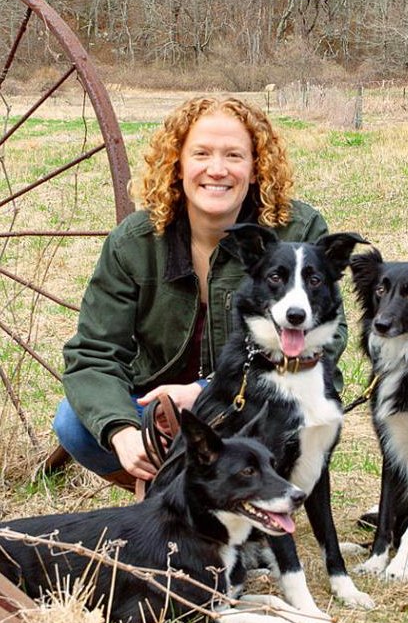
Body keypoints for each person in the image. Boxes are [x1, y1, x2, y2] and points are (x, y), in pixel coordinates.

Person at [54, 95, 346, 492]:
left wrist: (204, 391)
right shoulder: (135, 242)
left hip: (262, 398)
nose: (217, 169)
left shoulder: (298, 231)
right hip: (158, 408)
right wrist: (123, 431)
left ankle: (251, 495)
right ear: (177, 164)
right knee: (73, 423)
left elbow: (331, 334)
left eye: (234, 156)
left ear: (257, 167)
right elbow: (93, 353)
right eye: (201, 154)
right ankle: (166, 489)